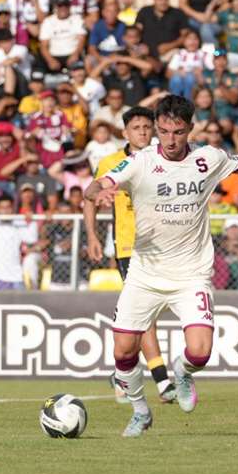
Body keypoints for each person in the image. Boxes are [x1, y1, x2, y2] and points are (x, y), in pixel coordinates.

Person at [84, 94, 238, 437]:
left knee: (200, 352)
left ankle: (181, 372)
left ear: (190, 129)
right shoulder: (140, 161)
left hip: (191, 273)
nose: (169, 139)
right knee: (123, 352)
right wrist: (98, 193)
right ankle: (140, 412)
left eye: (177, 132)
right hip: (145, 272)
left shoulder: (207, 158)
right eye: (162, 131)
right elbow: (98, 184)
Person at [83, 107, 177, 404]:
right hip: (128, 247)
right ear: (125, 132)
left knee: (144, 311)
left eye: (147, 127)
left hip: (163, 246)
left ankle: (123, 371)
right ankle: (162, 381)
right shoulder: (111, 163)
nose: (142, 132)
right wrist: (92, 235)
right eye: (136, 127)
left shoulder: (163, 159)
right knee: (144, 310)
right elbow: (90, 199)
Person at [0, 195, 39, 289]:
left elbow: (32, 238)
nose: (5, 211)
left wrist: (32, 221)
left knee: (20, 303)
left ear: (12, 209)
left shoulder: (18, 223)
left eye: (8, 207)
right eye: (2, 208)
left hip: (16, 278)